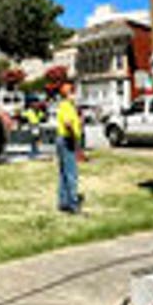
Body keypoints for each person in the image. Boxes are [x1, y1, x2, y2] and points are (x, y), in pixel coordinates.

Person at [55, 81, 83, 213]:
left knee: (63, 172)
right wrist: (74, 137)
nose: (75, 96)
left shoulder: (66, 106)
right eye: (74, 93)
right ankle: (73, 204)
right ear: (68, 94)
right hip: (67, 139)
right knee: (71, 172)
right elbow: (67, 123)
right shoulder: (67, 106)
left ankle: (63, 202)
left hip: (62, 139)